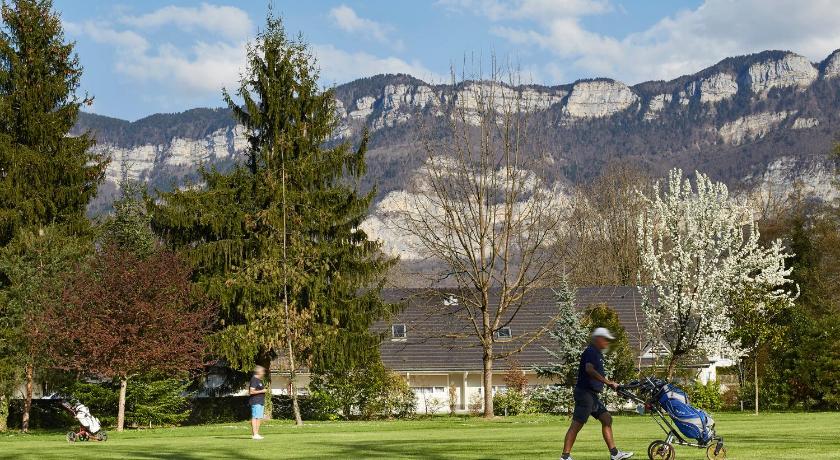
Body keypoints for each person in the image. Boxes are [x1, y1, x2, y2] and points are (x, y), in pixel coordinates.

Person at [561, 328, 633, 460]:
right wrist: (607, 382)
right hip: (585, 394)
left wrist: (610, 385)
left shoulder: (597, 354)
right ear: (598, 339)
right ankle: (565, 457)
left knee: (607, 419)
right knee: (577, 424)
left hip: (592, 395)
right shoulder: (591, 351)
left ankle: (615, 454)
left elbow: (595, 375)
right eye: (605, 339)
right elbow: (589, 369)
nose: (607, 342)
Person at [249, 365, 267, 440]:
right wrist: (262, 391)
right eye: (262, 371)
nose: (263, 373)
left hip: (260, 401)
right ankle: (255, 434)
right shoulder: (254, 379)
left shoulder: (259, 380)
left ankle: (256, 434)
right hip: (256, 401)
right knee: (255, 417)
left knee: (259, 417)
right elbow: (251, 391)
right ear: (258, 372)